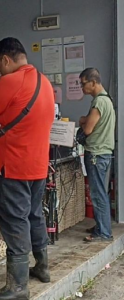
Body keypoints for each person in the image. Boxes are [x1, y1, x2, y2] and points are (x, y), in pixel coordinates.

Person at [0, 37, 55, 300]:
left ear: (5, 59)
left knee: (14, 223)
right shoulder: (44, 82)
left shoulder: (8, 82)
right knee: (35, 215)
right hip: (38, 166)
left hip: (13, 166)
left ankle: (17, 286)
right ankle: (42, 266)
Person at [79, 68, 115, 242]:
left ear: (93, 82)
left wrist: (83, 120)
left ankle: (103, 233)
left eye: (83, 83)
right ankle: (102, 226)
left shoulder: (99, 102)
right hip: (105, 153)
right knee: (101, 192)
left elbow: (88, 129)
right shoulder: (107, 100)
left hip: (96, 154)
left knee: (97, 193)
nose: (81, 87)